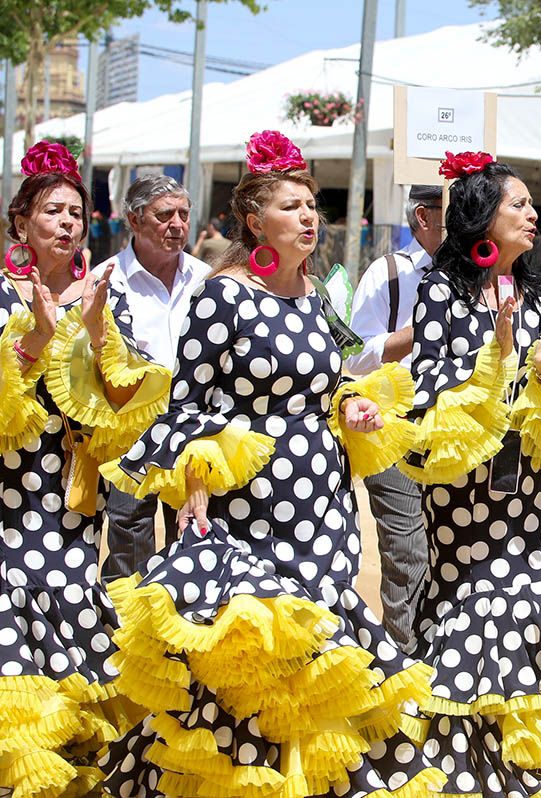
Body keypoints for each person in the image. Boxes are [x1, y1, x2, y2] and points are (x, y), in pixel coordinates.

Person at [98, 131, 445, 795]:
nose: (309, 217)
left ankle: (309, 779)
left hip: (319, 494)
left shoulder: (315, 300)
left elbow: (335, 382)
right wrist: (194, 485)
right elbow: (189, 403)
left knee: (315, 635)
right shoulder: (221, 297)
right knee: (252, 641)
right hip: (244, 500)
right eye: (291, 206)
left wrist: (354, 408)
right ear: (255, 222)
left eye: (313, 205)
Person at [400, 153, 541, 798]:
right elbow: (433, 385)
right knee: (470, 595)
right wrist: (514, 360)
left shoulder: (539, 291)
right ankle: (453, 752)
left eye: (529, 205)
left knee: (520, 590)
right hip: (462, 477)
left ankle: (504, 754)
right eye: (517, 205)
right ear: (483, 216)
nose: (533, 214)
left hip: (522, 475)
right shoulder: (440, 287)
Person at [0, 140, 170, 796]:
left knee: (71, 610)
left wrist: (97, 331)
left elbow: (125, 396)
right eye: (52, 212)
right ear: (21, 223)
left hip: (67, 491)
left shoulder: (102, 294)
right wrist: (38, 337)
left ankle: (63, 766)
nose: (68, 222)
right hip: (7, 489)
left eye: (75, 212)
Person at [99, 175, 210, 582]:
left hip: (194, 430)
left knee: (196, 532)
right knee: (129, 534)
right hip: (130, 432)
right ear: (134, 219)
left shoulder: (208, 280)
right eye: (164, 215)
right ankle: (128, 628)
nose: (177, 224)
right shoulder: (105, 282)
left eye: (183, 214)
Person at [345, 184, 442, 647]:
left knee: (449, 547)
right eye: (452, 210)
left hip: (452, 432)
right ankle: (404, 661)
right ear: (423, 217)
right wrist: (423, 331)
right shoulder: (387, 274)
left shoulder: (481, 275)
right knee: (406, 551)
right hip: (390, 430)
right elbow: (355, 358)